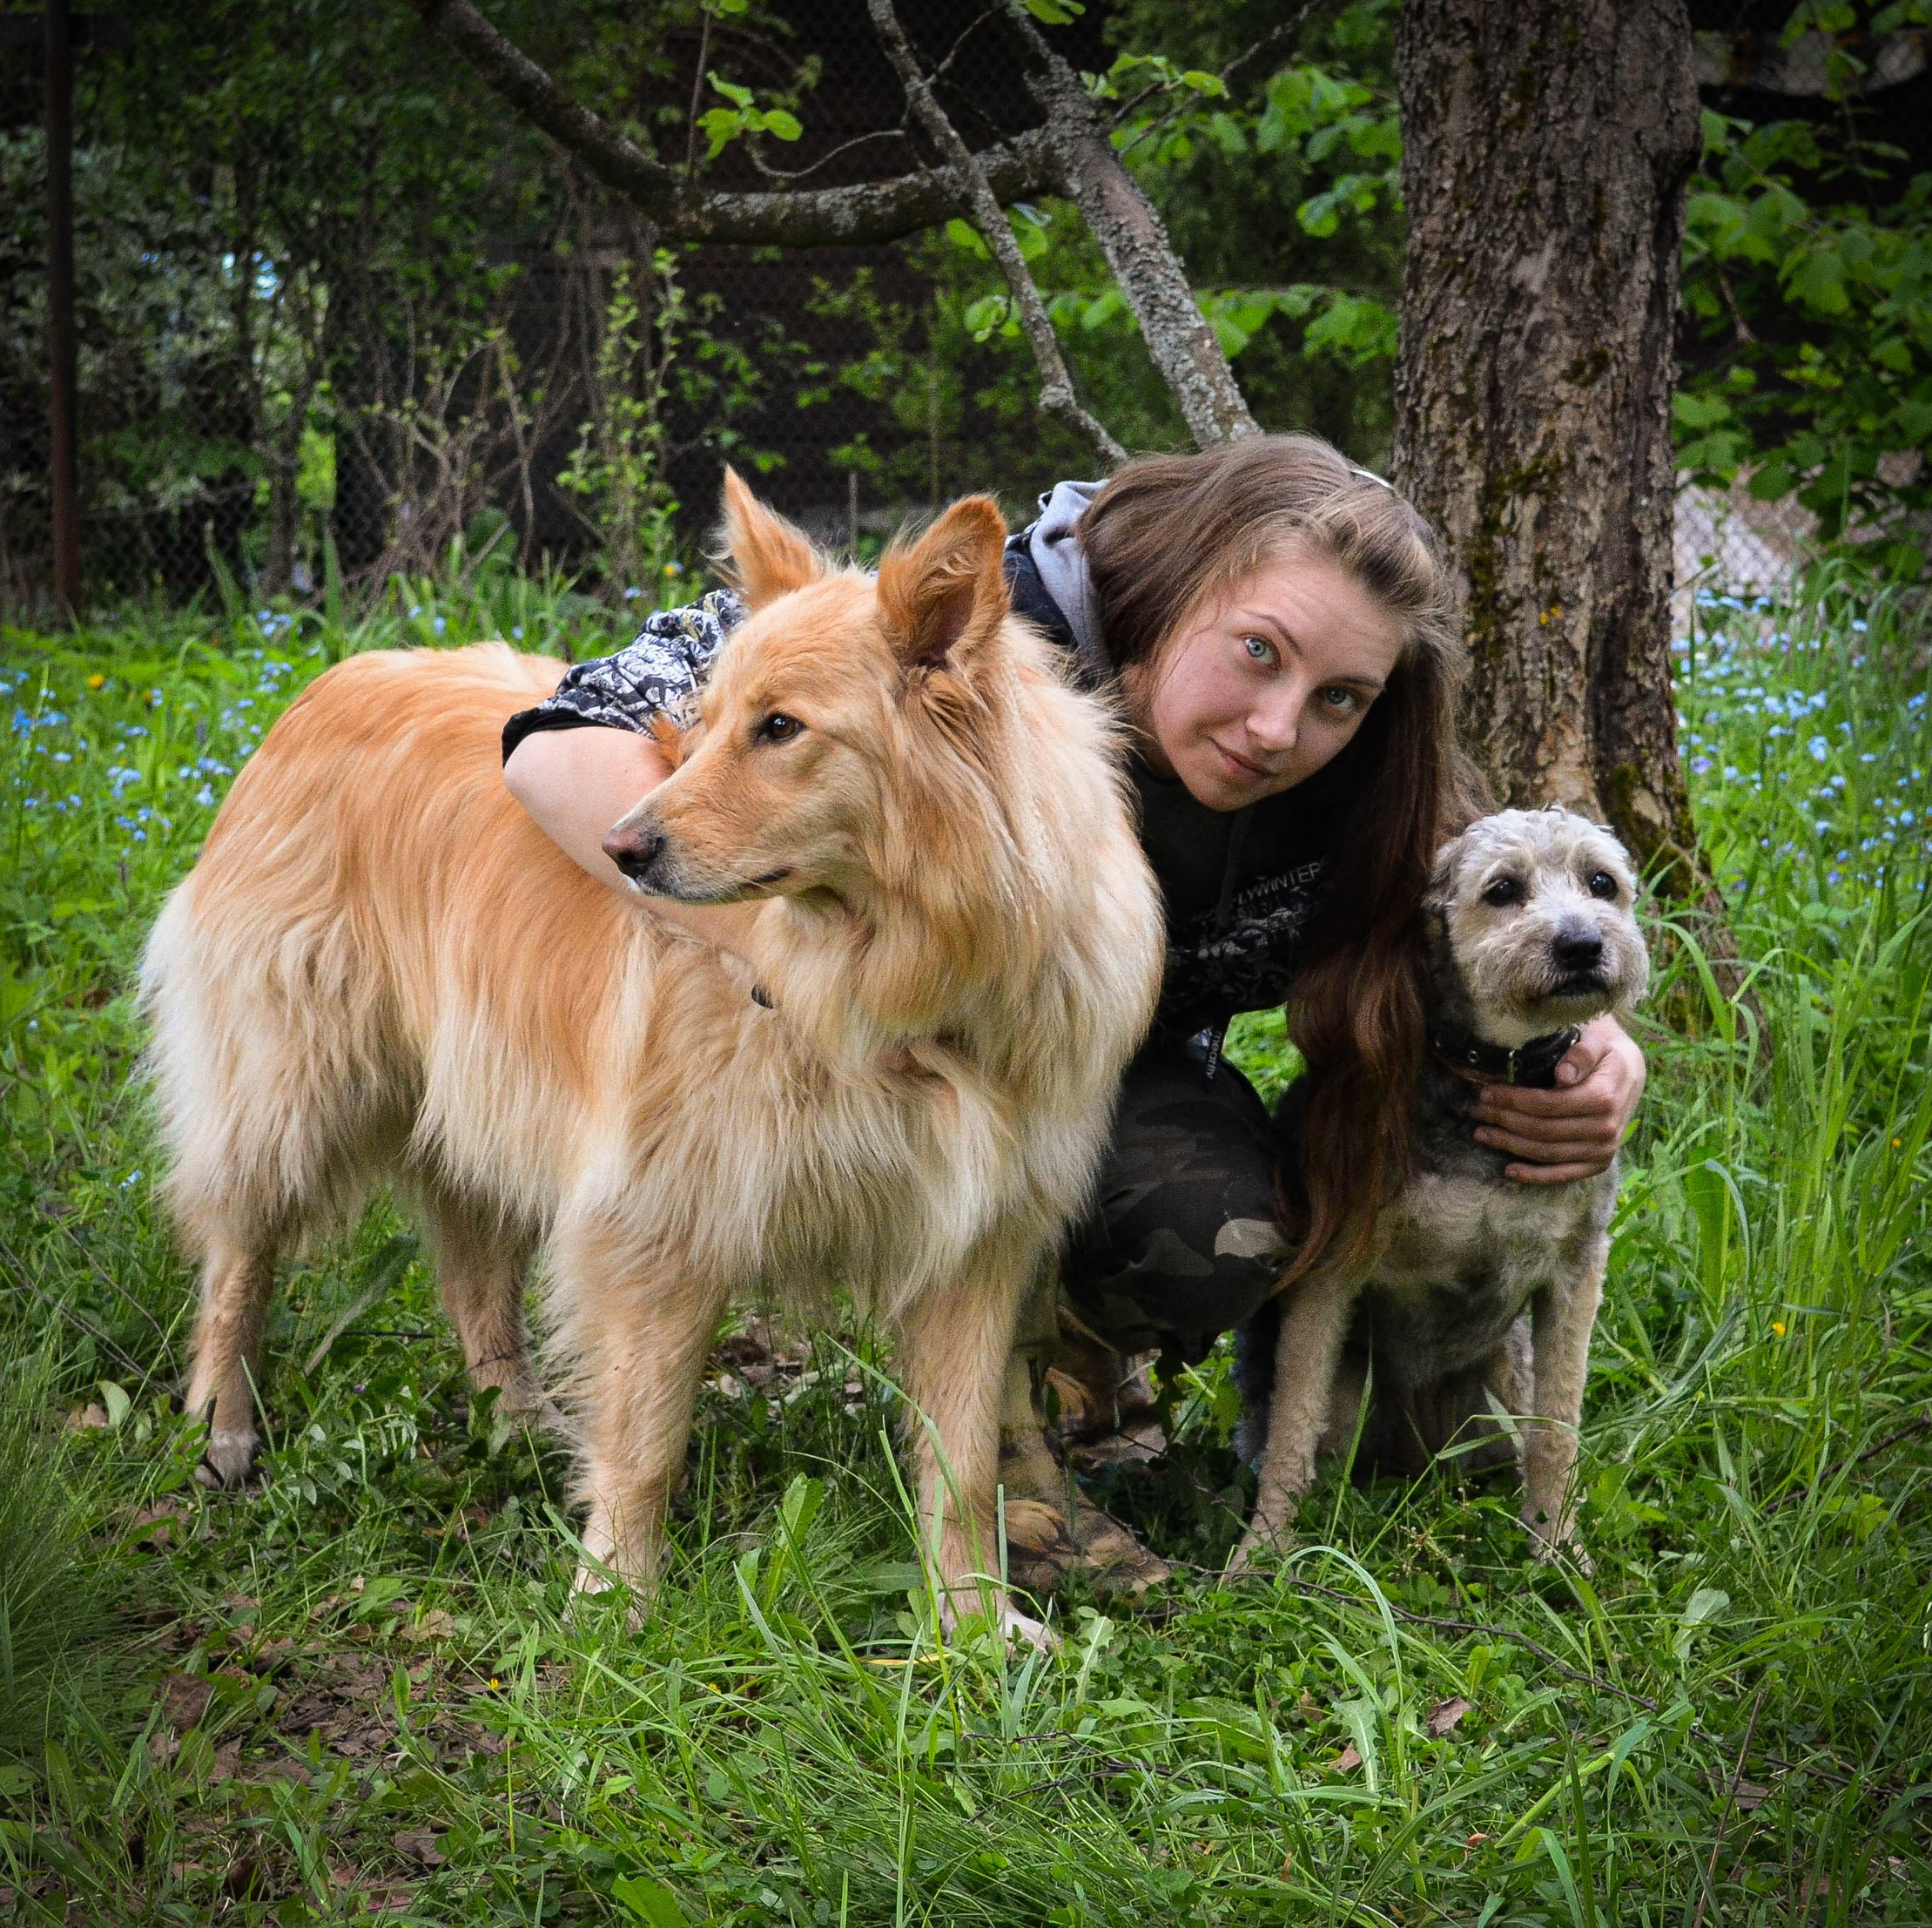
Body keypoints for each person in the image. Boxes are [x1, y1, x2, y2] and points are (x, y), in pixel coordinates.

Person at [502, 435, 1646, 1591]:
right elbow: (555, 751)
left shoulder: (1366, 777)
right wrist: (775, 955)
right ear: (1185, 581)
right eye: (1258, 653)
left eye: (1336, 696)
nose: (1276, 728)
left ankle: (1068, 1374)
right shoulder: (993, 620)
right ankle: (950, 1452)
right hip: (860, 1021)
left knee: (1223, 1225)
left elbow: (1498, 904)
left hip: (1100, 1076)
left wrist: (1593, 1040)